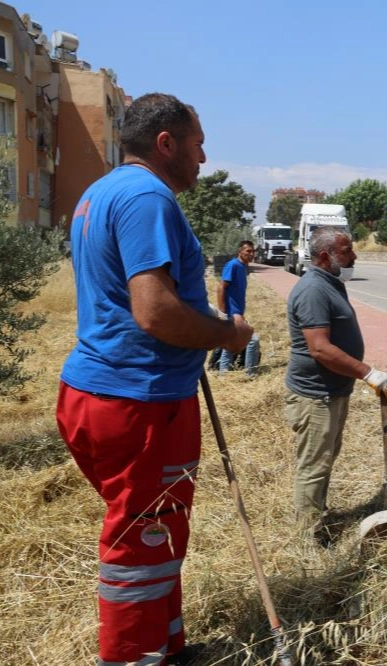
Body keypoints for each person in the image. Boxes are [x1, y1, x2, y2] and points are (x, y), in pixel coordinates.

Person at [56, 93, 254, 665]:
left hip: (99, 392)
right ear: (166, 143)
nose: (204, 158)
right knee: (141, 542)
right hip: (139, 402)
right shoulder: (148, 197)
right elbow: (156, 313)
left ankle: (166, 649)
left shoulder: (101, 191)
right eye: (196, 145)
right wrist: (227, 335)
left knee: (156, 531)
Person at [285, 227, 387, 543]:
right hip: (315, 396)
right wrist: (368, 373)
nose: (354, 256)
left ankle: (316, 512)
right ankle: (308, 535)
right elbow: (319, 348)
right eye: (347, 251)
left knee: (326, 457)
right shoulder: (313, 290)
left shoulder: (329, 283)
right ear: (325, 256)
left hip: (332, 392)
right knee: (314, 466)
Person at [216, 240, 261, 376]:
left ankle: (223, 375)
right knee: (252, 340)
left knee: (230, 343)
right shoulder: (233, 265)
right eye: (248, 251)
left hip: (237, 313)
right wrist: (223, 312)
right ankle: (250, 374)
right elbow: (221, 288)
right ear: (240, 251)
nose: (251, 254)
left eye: (253, 251)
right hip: (232, 314)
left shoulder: (242, 267)